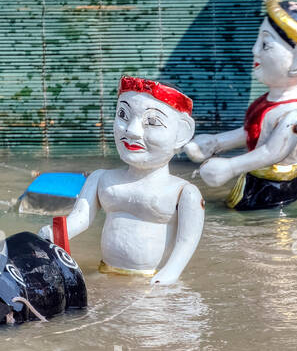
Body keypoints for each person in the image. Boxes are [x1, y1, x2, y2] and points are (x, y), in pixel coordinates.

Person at [41, 77, 204, 284]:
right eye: (123, 115)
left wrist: (170, 273)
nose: (131, 131)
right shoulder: (102, 178)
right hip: (105, 273)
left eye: (152, 122)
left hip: (154, 281)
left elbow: (186, 242)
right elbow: (81, 218)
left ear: (182, 133)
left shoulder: (183, 192)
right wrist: (54, 234)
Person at [185, 0, 297, 210]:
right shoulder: (271, 101)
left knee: (266, 232)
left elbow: (273, 152)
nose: (254, 50)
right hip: (254, 181)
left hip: (274, 190)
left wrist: (231, 166)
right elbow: (252, 133)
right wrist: (216, 143)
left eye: (265, 44)